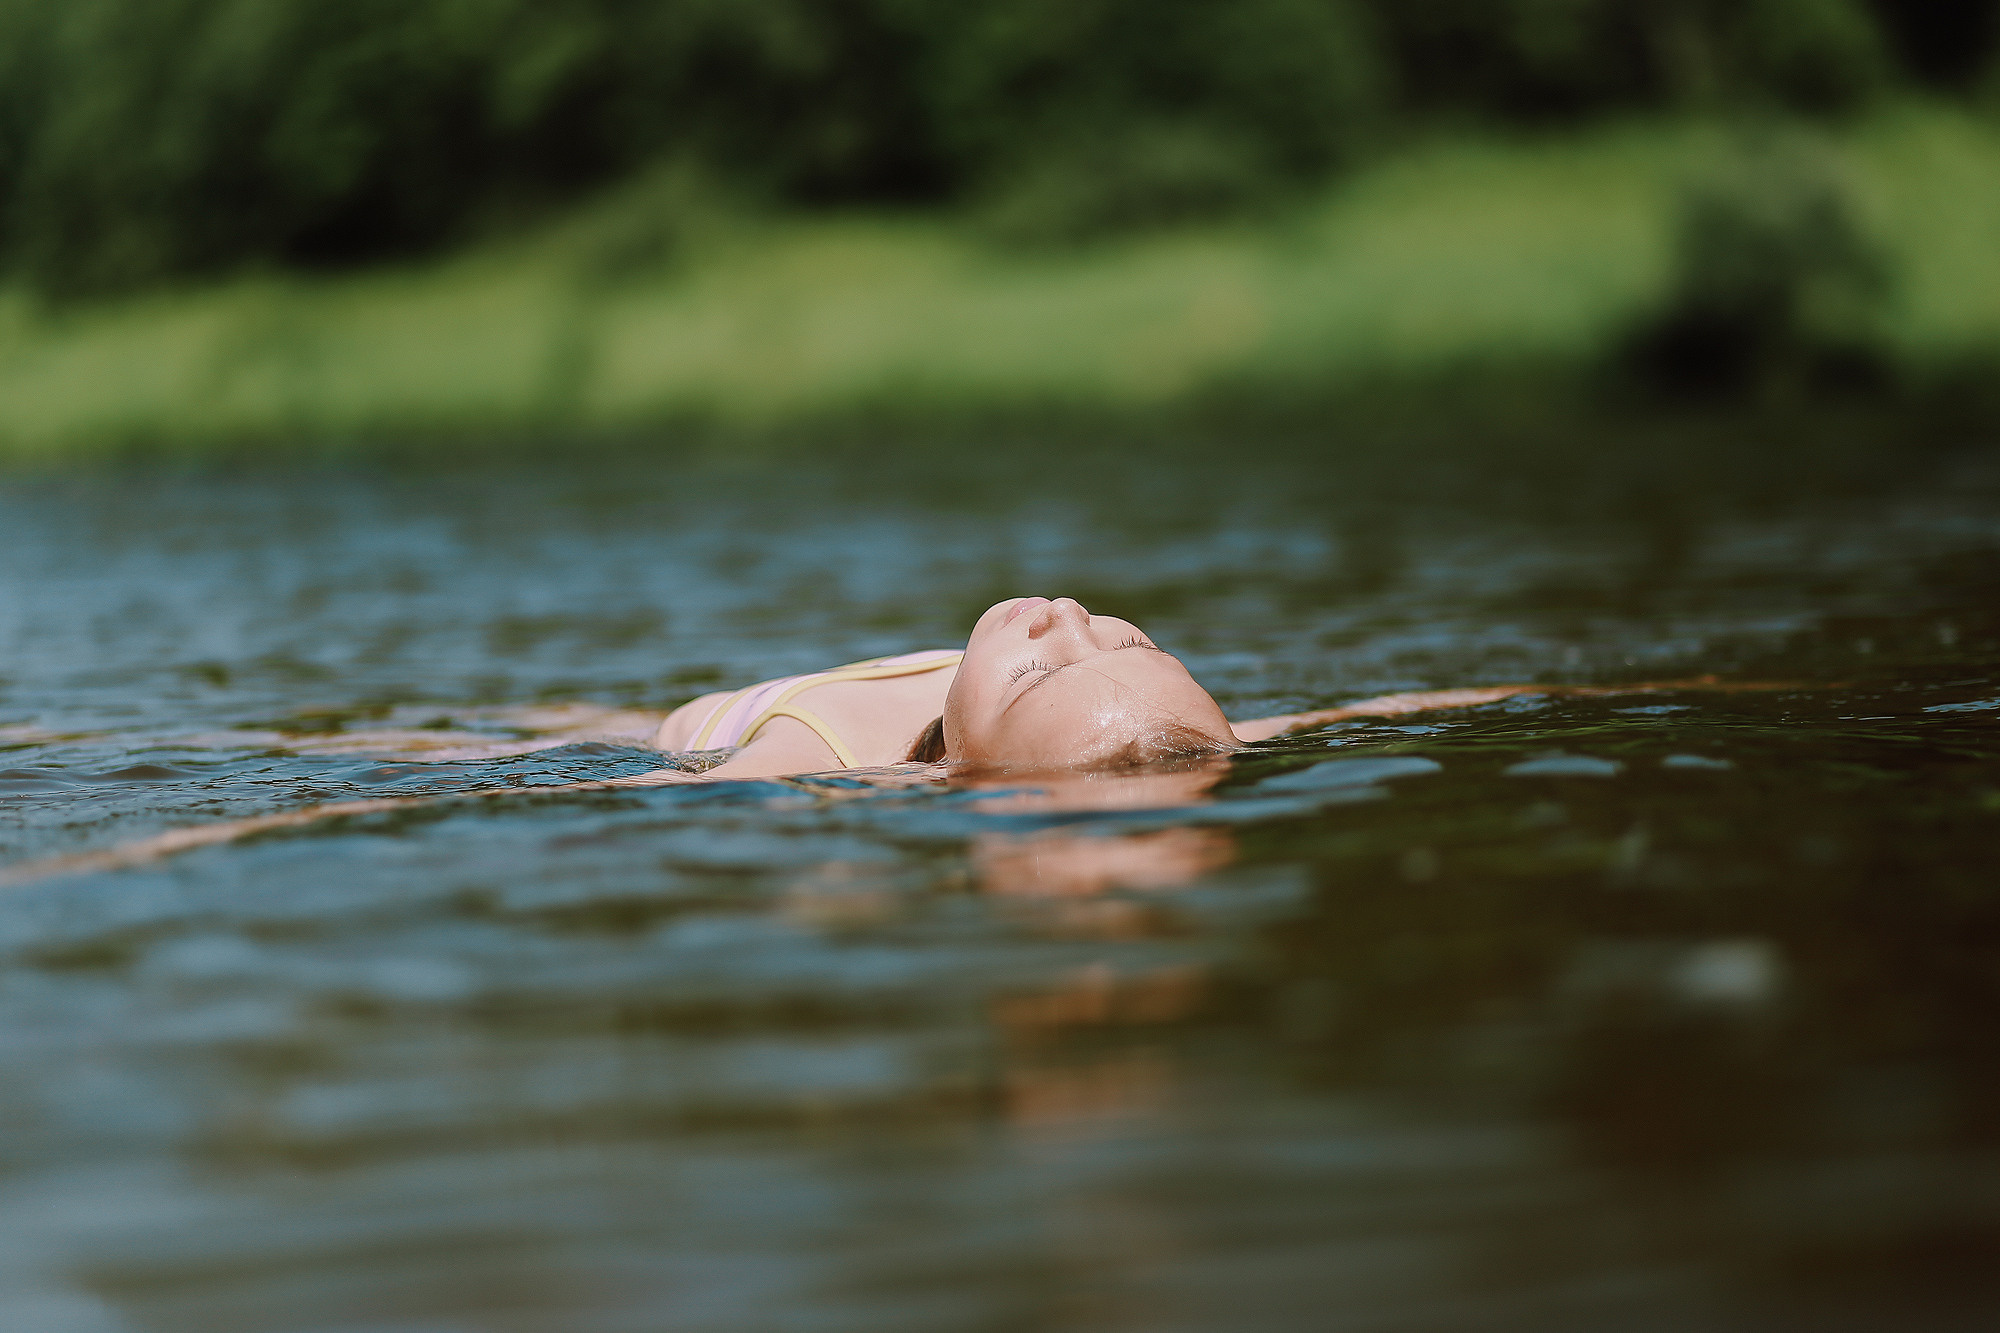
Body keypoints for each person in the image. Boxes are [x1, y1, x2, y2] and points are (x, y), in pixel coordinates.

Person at [638, 594, 1538, 782]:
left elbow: (646, 798)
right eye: (1128, 639)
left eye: (1035, 672)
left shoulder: (824, 753)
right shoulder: (1156, 723)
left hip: (704, 718)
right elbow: (1346, 715)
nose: (1067, 615)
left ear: (948, 764)